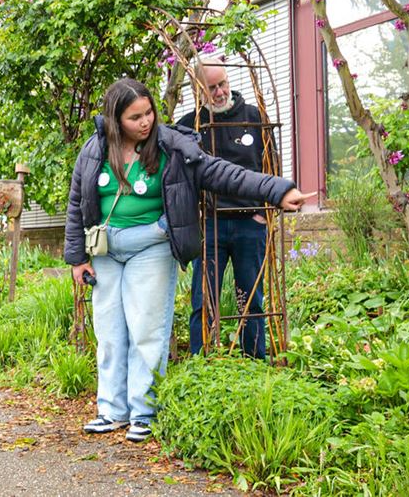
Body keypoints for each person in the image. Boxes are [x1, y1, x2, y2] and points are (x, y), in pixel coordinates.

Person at [65, 78, 309, 443]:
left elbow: (223, 173)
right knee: (111, 333)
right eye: (135, 117)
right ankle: (112, 410)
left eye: (148, 113)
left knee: (147, 329)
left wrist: (277, 189)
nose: (145, 122)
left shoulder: (172, 146)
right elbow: (76, 204)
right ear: (116, 121)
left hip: (152, 245)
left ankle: (143, 413)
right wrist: (75, 257)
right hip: (105, 250)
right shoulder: (95, 148)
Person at [177, 62, 275, 358]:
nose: (220, 92)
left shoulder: (254, 118)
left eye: (223, 84)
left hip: (250, 223)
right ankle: (201, 363)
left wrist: (263, 213)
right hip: (210, 225)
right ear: (198, 90)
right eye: (211, 87)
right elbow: (179, 180)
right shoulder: (188, 125)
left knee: (252, 299)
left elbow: (271, 166)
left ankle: (255, 361)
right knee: (204, 300)